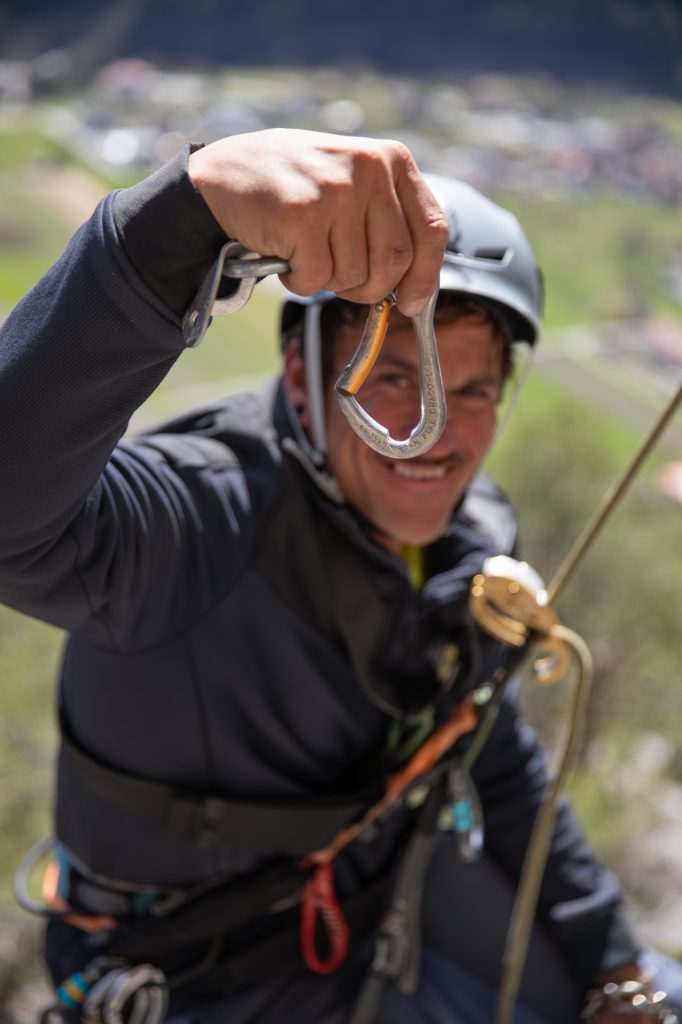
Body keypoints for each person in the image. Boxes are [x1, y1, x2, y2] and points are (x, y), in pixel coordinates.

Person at [0, 128, 680, 1024]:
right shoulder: (197, 522)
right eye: (395, 376)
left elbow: (499, 766)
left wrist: (616, 969)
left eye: (473, 392)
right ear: (299, 376)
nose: (437, 434)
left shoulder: (468, 540)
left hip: (378, 899)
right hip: (201, 973)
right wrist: (174, 222)